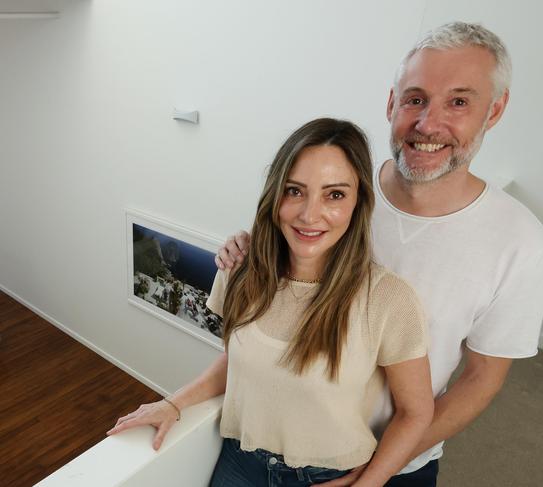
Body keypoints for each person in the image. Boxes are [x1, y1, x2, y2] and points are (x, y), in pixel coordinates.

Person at [216, 22, 543, 486]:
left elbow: (481, 379)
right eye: (415, 99)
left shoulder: (521, 242)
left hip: (402, 464)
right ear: (392, 103)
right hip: (284, 448)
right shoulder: (338, 193)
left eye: (458, 102)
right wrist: (249, 245)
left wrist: (375, 471)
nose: (428, 124)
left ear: (494, 110)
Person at [108, 118, 435, 487]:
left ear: (358, 203)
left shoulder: (389, 298)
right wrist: (174, 403)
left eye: (335, 194)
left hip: (329, 477)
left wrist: (367, 484)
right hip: (240, 463)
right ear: (275, 194)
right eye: (295, 191)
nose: (310, 214)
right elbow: (238, 360)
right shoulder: (241, 269)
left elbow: (416, 412)